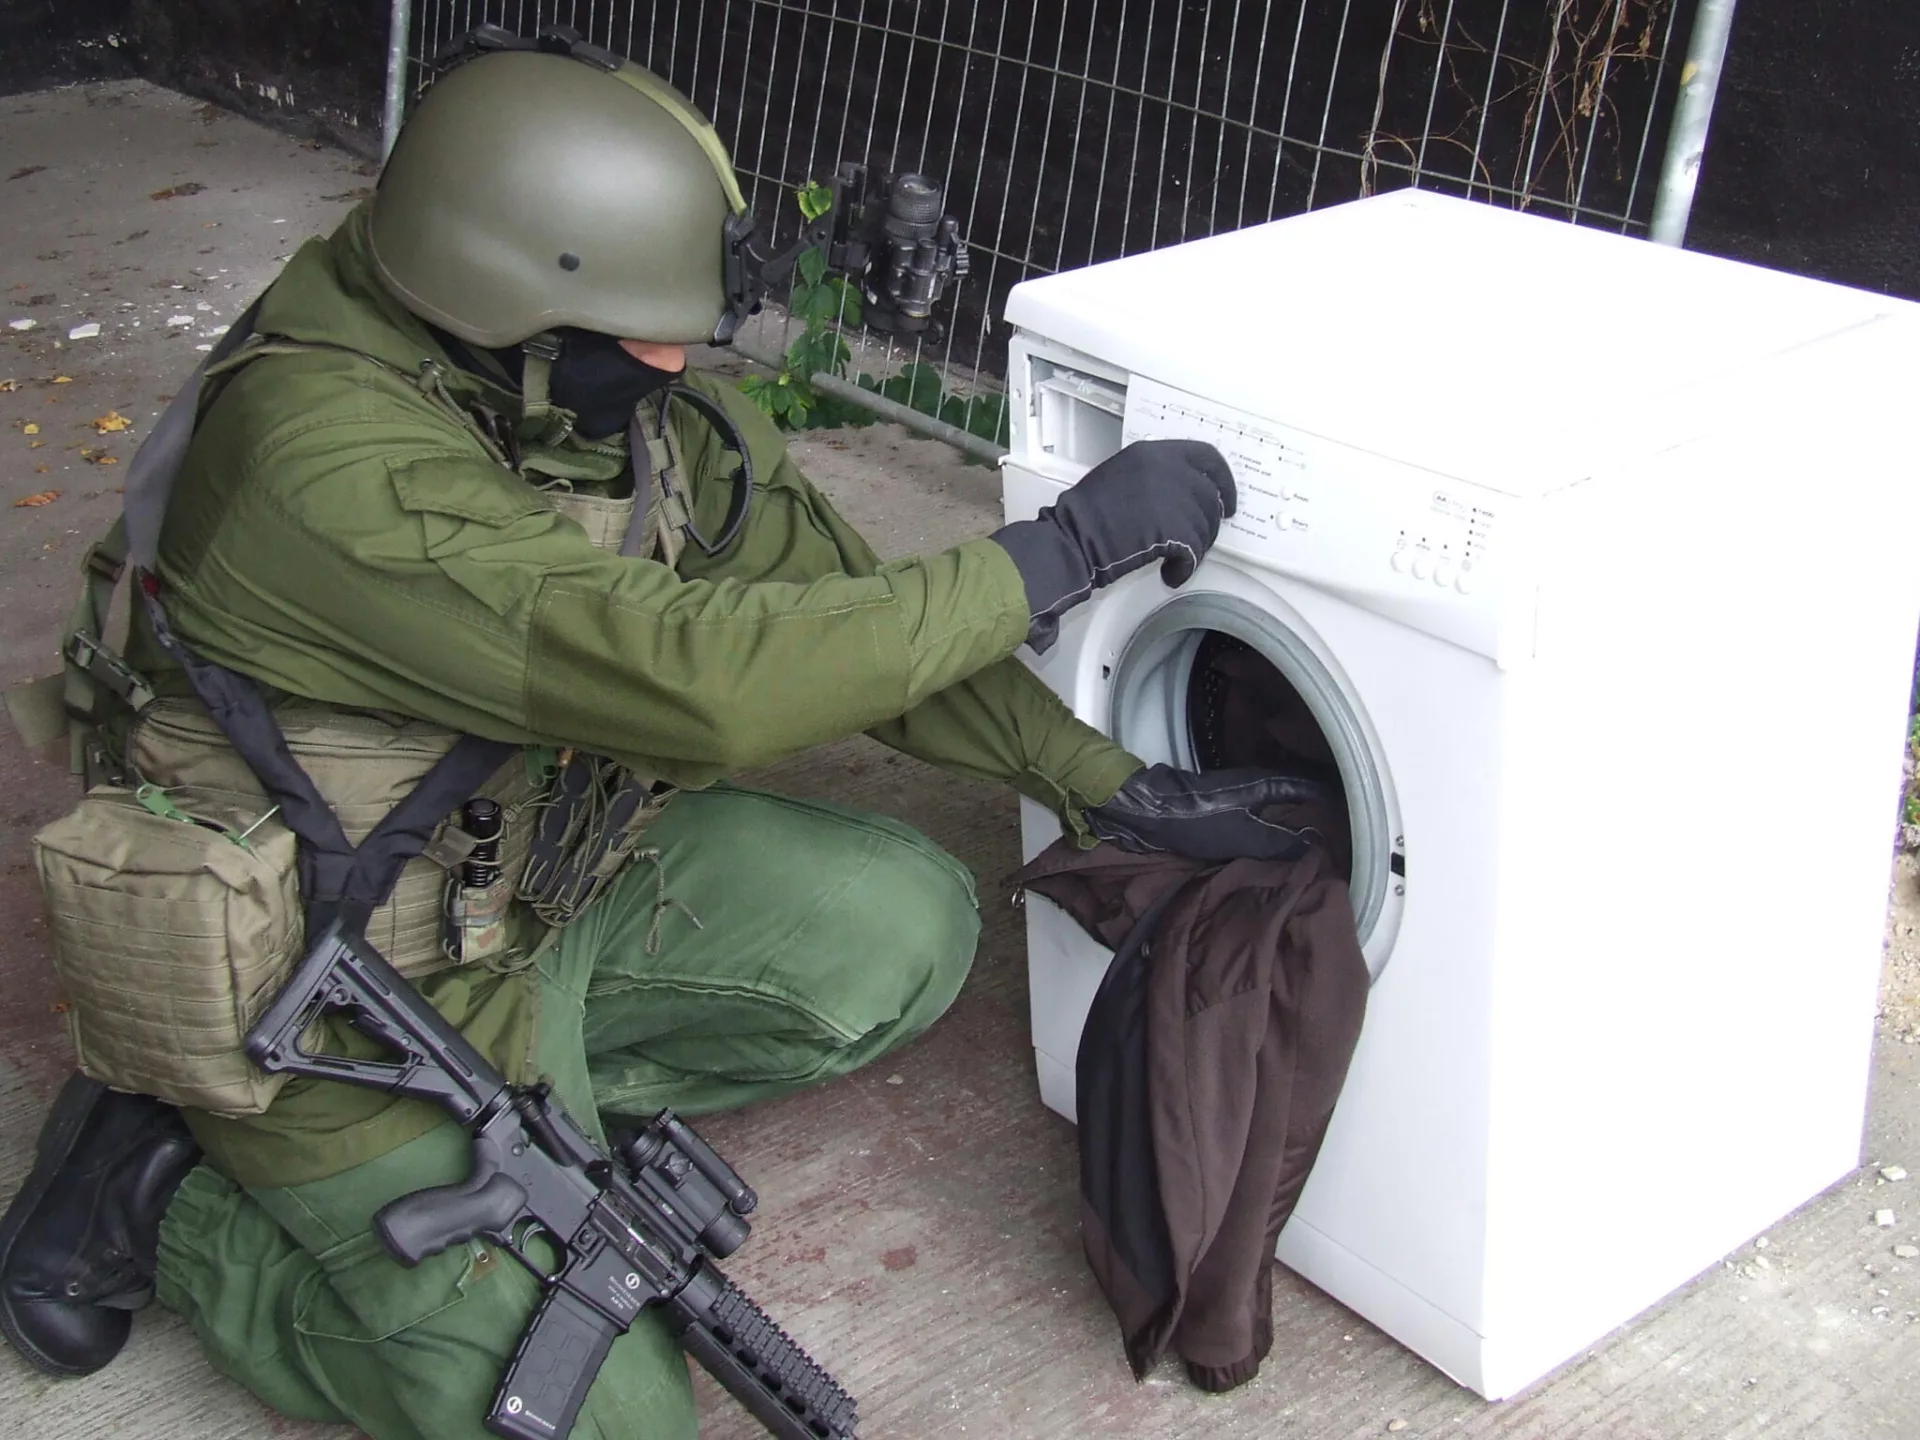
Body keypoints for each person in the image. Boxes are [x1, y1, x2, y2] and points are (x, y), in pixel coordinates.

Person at [0, 36, 1314, 1440]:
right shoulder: (326, 467)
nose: (680, 363)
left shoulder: (551, 382)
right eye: (649, 329)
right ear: (510, 294)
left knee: (900, 929)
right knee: (610, 1418)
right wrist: (1055, 556)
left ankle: (524, 1099)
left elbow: (824, 616)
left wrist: (1114, 784)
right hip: (336, 997)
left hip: (524, 888)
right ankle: (171, 1192)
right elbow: (707, 678)